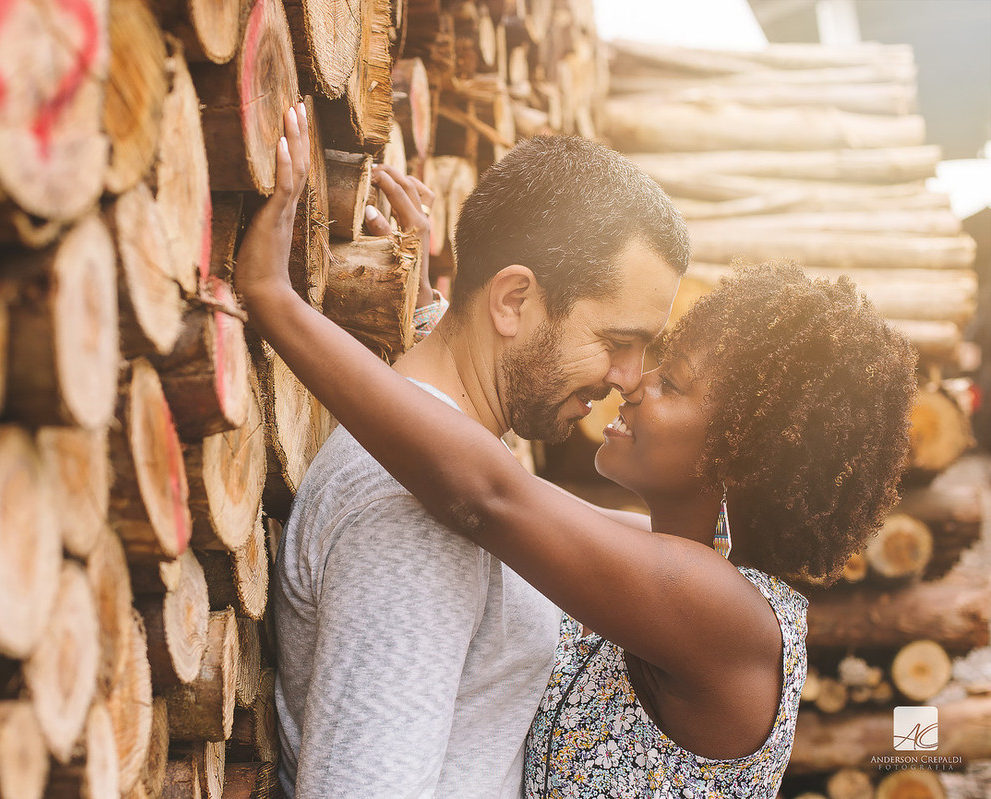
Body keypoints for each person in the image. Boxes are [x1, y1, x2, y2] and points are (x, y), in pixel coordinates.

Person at [238, 106, 918, 797]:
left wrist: (273, 298)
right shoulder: (667, 561)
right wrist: (457, 316)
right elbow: (502, 484)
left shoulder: (719, 609)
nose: (634, 381)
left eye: (672, 381)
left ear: (738, 457)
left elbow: (490, 496)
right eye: (626, 347)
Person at [265, 108, 691, 798]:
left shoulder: (457, 457)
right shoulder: (411, 511)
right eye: (617, 341)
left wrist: (439, 311)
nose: (627, 378)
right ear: (513, 300)